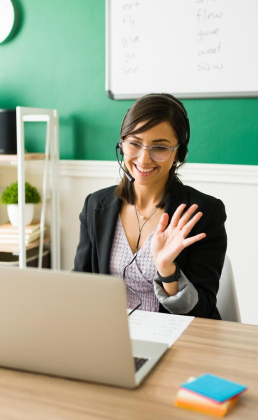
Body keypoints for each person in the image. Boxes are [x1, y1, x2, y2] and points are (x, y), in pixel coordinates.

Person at [73, 93, 227, 319]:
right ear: (121, 145)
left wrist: (168, 271)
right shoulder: (95, 205)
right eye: (134, 144)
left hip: (177, 341)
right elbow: (80, 286)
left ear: (178, 154)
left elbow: (203, 311)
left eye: (160, 147)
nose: (144, 159)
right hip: (109, 338)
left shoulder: (203, 213)